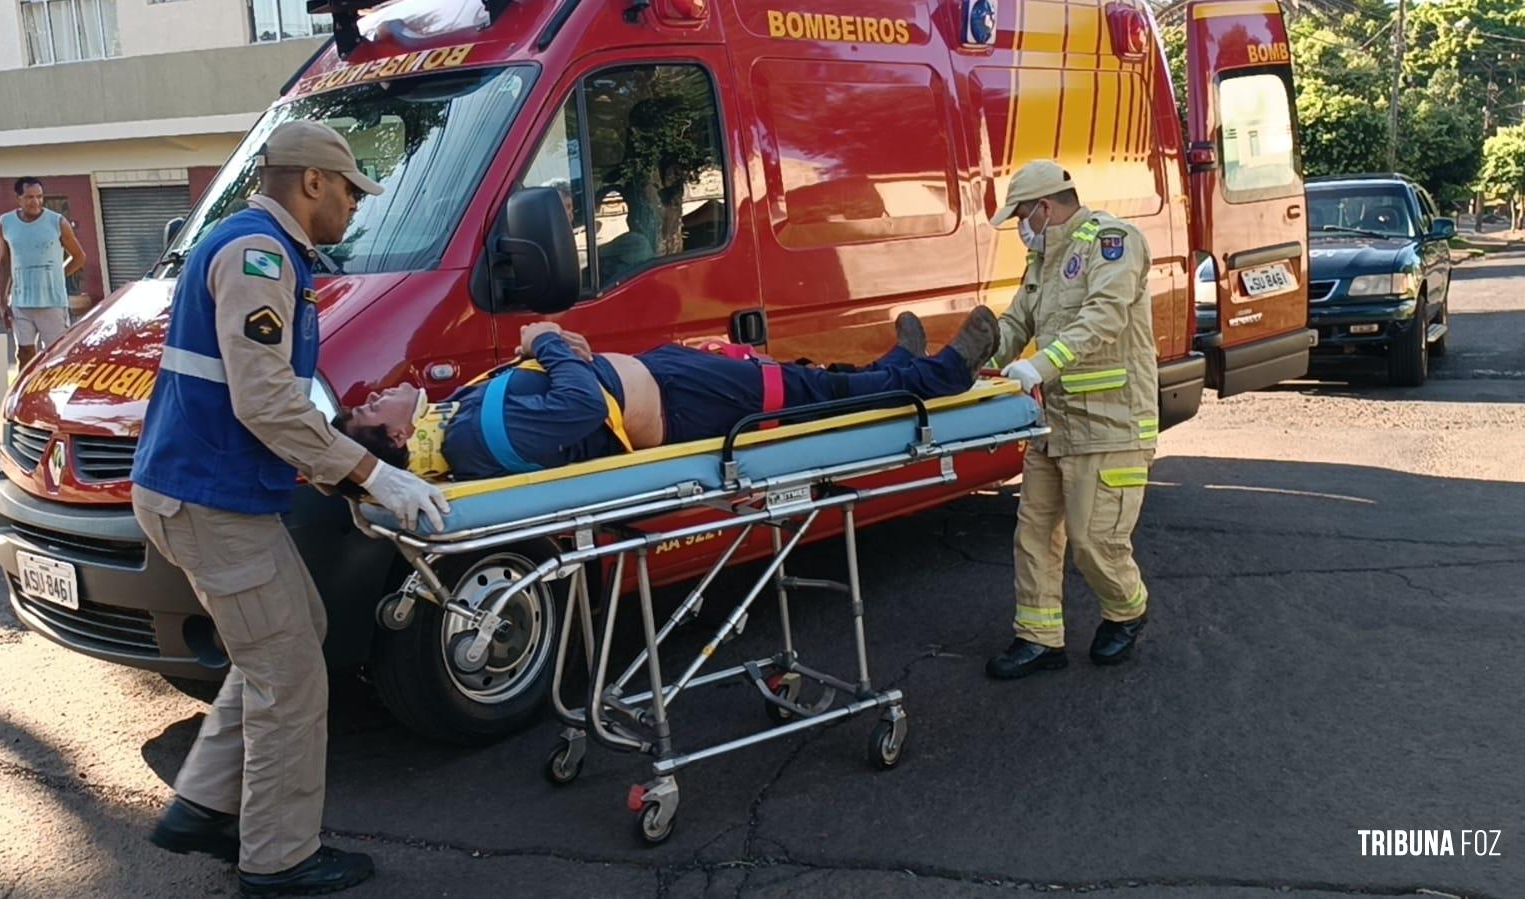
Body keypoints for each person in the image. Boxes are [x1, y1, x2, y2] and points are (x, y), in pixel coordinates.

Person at [129, 121, 449, 897]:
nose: (353, 208)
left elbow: (265, 396)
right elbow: (265, 399)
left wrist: (348, 437)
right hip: (210, 498)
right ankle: (278, 859)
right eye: (348, 191)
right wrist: (376, 475)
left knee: (289, 639)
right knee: (292, 676)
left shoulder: (261, 252)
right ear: (312, 183)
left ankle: (202, 806)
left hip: (207, 491)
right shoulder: (258, 253)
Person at [333, 308, 1000, 482]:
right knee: (805, 391)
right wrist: (548, 344)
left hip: (665, 382)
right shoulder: (470, 438)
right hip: (679, 405)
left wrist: (558, 350)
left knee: (805, 382)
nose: (381, 391)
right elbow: (582, 407)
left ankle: (894, 369)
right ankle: (939, 375)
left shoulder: (457, 421)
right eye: (371, 408)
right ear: (396, 437)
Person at [983, 160, 1158, 679]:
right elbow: (1016, 321)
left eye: (1020, 215)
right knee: (1034, 533)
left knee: (1092, 540)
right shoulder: (1043, 258)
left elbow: (1104, 316)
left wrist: (1039, 365)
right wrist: (974, 368)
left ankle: (1127, 610)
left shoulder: (1113, 242)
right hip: (1054, 424)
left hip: (1111, 423)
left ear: (1044, 207)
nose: (1019, 228)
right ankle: (1039, 639)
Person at [0, 177, 87, 370]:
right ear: (18, 198)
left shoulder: (57, 222)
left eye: (39, 197)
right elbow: (4, 263)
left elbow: (79, 257)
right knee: (25, 354)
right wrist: (2, 301)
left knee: (57, 356)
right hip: (21, 302)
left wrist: (57, 275)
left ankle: (56, 393)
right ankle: (25, 395)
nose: (35, 202)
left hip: (52, 302)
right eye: (29, 197)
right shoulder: (6, 222)